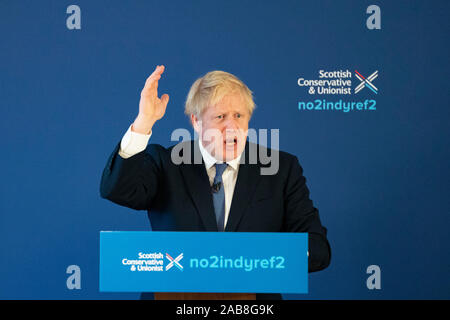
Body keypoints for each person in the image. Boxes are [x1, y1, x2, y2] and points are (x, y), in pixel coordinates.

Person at [100, 65, 331, 300]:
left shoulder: (281, 169)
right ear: (196, 121)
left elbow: (317, 248)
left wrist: (265, 257)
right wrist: (143, 122)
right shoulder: (165, 163)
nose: (232, 126)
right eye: (220, 117)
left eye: (238, 116)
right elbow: (117, 189)